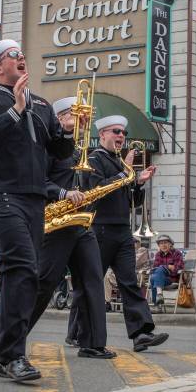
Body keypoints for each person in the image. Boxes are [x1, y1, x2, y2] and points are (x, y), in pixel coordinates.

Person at [0, 39, 75, 383]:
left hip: (33, 198)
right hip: (0, 194)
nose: (21, 59)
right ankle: (13, 354)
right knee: (23, 268)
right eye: (12, 56)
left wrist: (71, 131)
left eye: (21, 54)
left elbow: (58, 152)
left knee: (16, 276)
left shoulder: (42, 104)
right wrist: (15, 109)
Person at [28, 95, 114, 360]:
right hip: (56, 223)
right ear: (62, 118)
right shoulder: (49, 147)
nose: (84, 120)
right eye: (78, 115)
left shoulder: (80, 150)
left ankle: (92, 343)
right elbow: (37, 181)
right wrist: (63, 193)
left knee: (92, 280)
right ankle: (8, 333)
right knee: (44, 282)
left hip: (81, 223)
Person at [83, 115, 167, 353]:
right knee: (90, 282)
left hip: (121, 229)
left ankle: (141, 334)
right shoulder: (93, 159)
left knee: (129, 281)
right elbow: (96, 190)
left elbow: (133, 202)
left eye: (123, 133)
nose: (121, 136)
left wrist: (139, 183)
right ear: (103, 135)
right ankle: (78, 331)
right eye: (116, 132)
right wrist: (126, 174)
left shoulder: (120, 163)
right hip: (100, 228)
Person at [149, 234, 184, 306]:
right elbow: (155, 268)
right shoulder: (158, 254)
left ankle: (157, 305)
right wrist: (168, 267)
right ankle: (159, 296)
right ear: (159, 246)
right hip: (161, 280)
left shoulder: (177, 253)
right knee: (153, 277)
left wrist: (164, 268)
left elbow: (178, 268)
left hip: (172, 279)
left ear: (170, 244)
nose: (163, 245)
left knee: (155, 276)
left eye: (165, 243)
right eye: (161, 243)